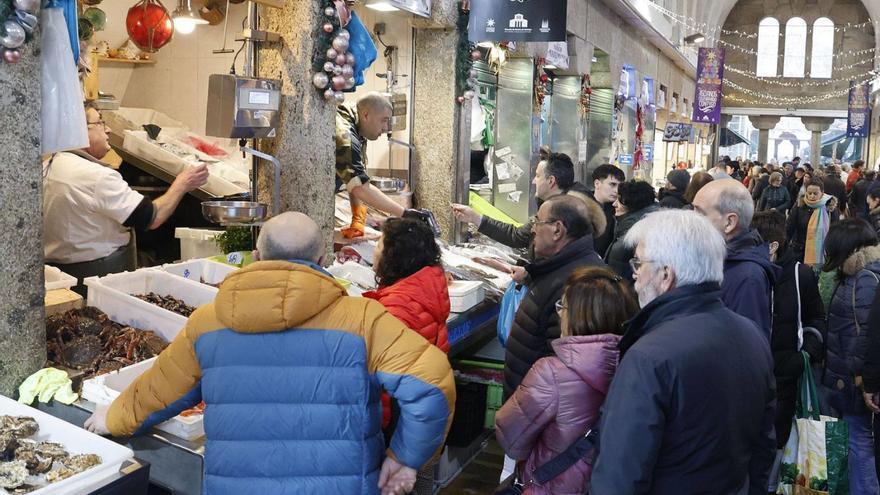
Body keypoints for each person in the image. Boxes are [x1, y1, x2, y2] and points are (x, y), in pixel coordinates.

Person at [85, 212, 456, 495]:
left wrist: (114, 417)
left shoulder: (209, 321)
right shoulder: (364, 319)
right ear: (323, 258)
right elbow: (432, 385)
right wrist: (405, 459)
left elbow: (158, 390)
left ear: (257, 256)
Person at [590, 209, 776, 494]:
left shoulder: (649, 355)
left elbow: (620, 476)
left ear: (666, 275)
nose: (634, 274)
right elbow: (763, 447)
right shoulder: (751, 334)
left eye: (638, 263)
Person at [494, 267, 638, 495]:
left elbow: (509, 435)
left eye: (564, 306)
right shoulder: (637, 366)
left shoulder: (551, 373)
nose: (559, 314)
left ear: (582, 316)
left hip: (549, 486)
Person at [43, 103, 209, 291]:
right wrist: (182, 184)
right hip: (99, 279)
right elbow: (152, 217)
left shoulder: (49, 165)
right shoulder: (96, 177)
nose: (109, 129)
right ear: (80, 130)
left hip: (59, 278)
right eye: (100, 122)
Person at [750, 211, 826, 491]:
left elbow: (816, 317)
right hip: (749, 373)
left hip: (785, 373)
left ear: (773, 246)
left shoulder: (798, 274)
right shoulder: (747, 273)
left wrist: (806, 351)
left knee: (777, 438)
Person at [502, 195, 604, 398]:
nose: (532, 229)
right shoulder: (554, 270)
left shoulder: (576, 284)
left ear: (557, 230)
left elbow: (561, 370)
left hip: (538, 412)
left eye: (537, 222)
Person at [820, 219, 880, 495]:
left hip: (855, 383)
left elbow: (864, 335)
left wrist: (863, 381)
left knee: (859, 445)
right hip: (852, 379)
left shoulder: (864, 279)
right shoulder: (863, 274)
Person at [451, 153, 584, 260]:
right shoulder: (561, 208)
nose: (533, 181)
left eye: (537, 176)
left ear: (551, 181)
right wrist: (475, 217)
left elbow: (555, 266)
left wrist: (529, 275)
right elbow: (518, 235)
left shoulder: (565, 217)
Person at [693, 179, 779, 339]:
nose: (691, 220)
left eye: (700, 213)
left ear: (729, 222)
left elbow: (747, 346)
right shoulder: (718, 259)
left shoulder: (747, 277)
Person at [336, 92, 407, 238]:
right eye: (384, 120)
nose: (387, 128)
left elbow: (354, 177)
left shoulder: (359, 126)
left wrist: (358, 218)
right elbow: (360, 187)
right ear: (366, 115)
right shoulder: (346, 136)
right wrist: (406, 213)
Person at [606, 180, 660, 281]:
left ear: (632, 204)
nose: (614, 204)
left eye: (619, 200)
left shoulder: (629, 239)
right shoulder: (652, 225)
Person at [786, 178, 840, 266]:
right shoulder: (799, 205)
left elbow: (835, 231)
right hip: (800, 251)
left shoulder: (830, 207)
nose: (811, 196)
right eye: (809, 193)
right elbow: (789, 227)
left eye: (815, 193)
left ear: (822, 193)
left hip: (822, 252)